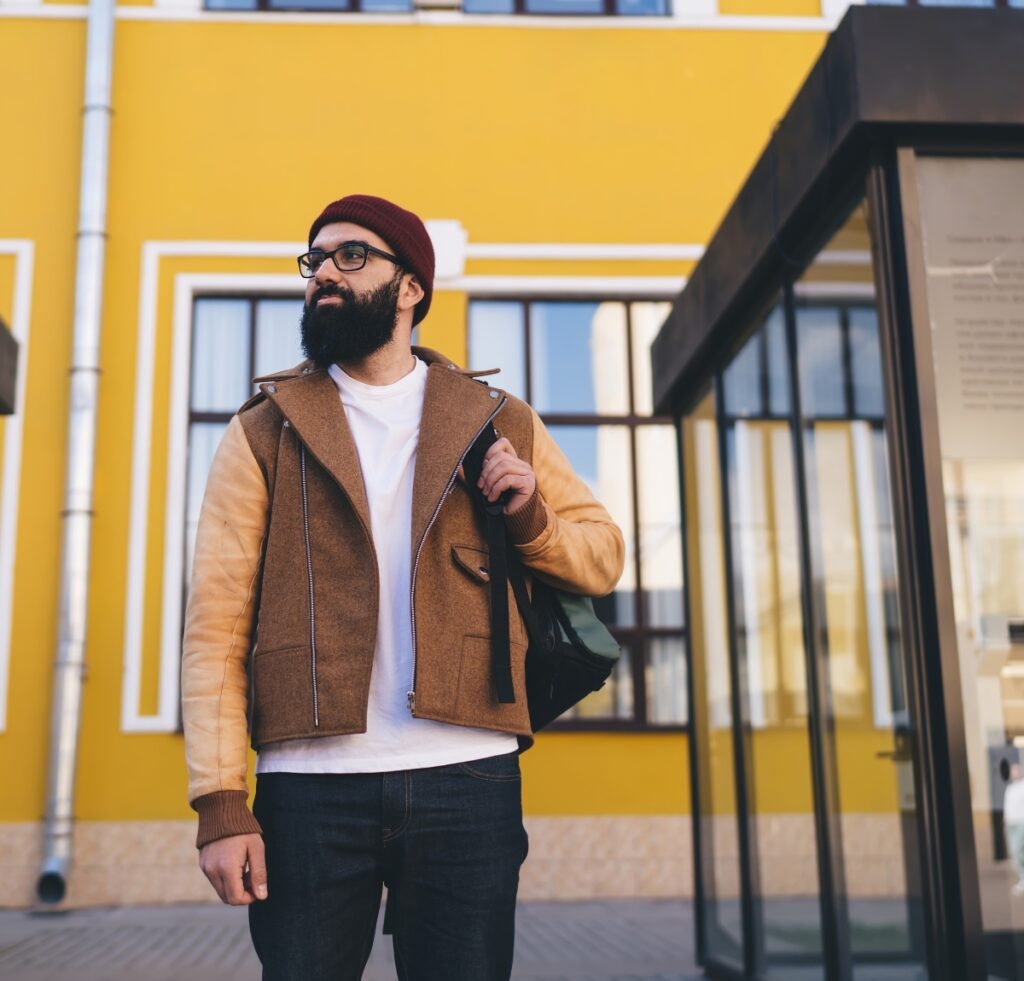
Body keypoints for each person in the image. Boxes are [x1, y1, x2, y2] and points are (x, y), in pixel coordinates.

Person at [181, 193, 625, 981]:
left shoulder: (496, 418)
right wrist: (221, 802)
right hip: (308, 790)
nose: (324, 272)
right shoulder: (264, 428)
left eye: (350, 256)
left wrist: (531, 517)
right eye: (314, 259)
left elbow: (602, 556)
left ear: (411, 285)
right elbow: (216, 626)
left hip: (469, 775)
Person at [1005, 763, 1024, 896]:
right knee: (1015, 852)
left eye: (1017, 770)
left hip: (1021, 823)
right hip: (1010, 824)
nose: (1014, 772)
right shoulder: (1010, 788)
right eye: (1013, 770)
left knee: (1018, 851)